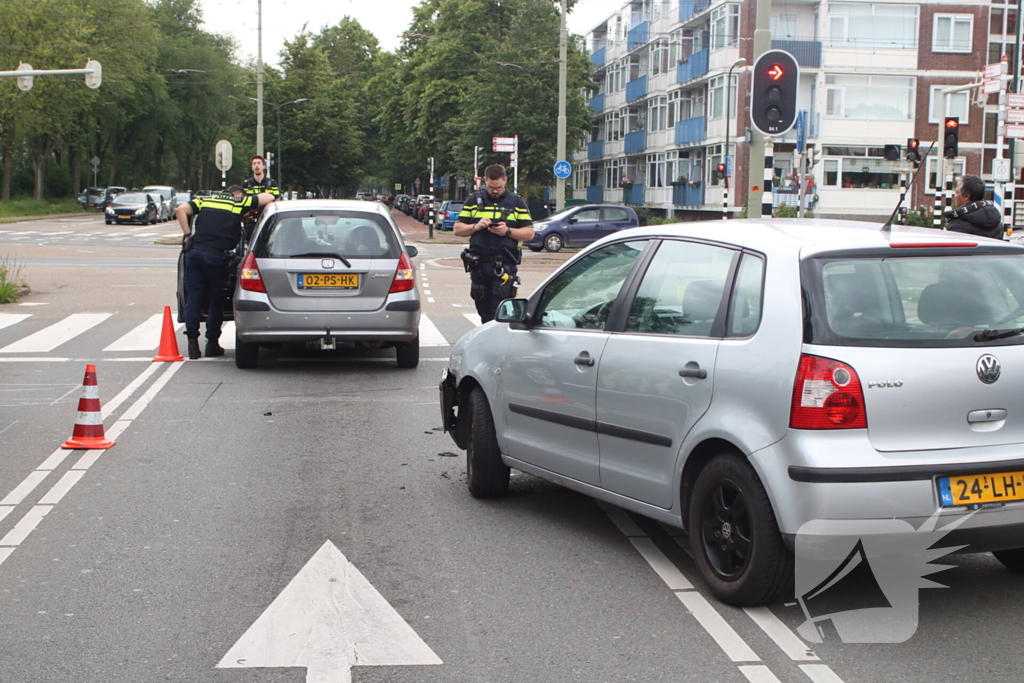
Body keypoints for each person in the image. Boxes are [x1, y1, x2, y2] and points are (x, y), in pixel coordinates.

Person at [175, 185, 275, 359]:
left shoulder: (205, 199)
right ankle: (212, 344)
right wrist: (249, 202)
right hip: (215, 257)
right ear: (238, 195)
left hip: (194, 254)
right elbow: (269, 197)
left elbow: (181, 210)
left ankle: (192, 344)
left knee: (194, 297)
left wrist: (187, 234)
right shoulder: (238, 202)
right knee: (216, 300)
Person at [453, 164, 534, 323]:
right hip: (480, 267)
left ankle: (499, 342)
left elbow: (529, 233)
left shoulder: (516, 203)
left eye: (499, 187)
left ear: (506, 180)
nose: (495, 191)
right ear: (485, 181)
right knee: (483, 312)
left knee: (500, 312)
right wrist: (476, 227)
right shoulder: (473, 201)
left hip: (504, 266)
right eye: (491, 187)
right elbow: (458, 229)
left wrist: (508, 231)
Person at [945, 175, 1003, 240]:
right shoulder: (996, 222)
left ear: (966, 196)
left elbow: (954, 249)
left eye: (956, 193)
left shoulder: (958, 224)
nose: (955, 196)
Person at [241, 155, 280, 240]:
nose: (256, 166)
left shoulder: (272, 183)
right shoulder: (246, 184)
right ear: (251, 167)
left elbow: (277, 203)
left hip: (268, 220)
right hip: (251, 222)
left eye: (259, 163)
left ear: (263, 166)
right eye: (254, 164)